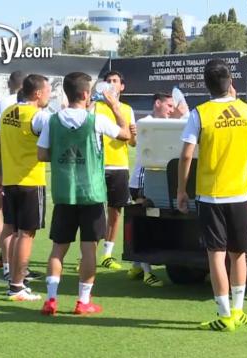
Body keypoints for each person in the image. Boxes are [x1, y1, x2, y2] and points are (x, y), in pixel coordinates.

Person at [177, 59, 247, 332]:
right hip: (239, 193)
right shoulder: (245, 110)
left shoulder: (199, 114)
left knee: (216, 254)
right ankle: (238, 310)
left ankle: (225, 314)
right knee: (239, 253)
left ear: (206, 84)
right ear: (230, 81)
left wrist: (180, 190)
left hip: (212, 195)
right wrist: (236, 103)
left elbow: (187, 154)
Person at [38, 72, 131, 315]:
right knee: (88, 249)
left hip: (64, 193)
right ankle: (83, 301)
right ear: (86, 94)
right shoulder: (96, 120)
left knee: (58, 248)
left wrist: (64, 156)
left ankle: (50, 300)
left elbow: (42, 154)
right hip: (91, 193)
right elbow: (125, 134)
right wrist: (115, 107)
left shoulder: (52, 120)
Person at [0, 74, 52, 301]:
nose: (49, 95)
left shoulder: (8, 112)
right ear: (37, 93)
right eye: (48, 91)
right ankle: (17, 285)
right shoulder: (39, 116)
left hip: (10, 180)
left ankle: (11, 274)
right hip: (30, 180)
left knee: (10, 228)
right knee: (26, 235)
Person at [127, 92, 176, 287]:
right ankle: (147, 272)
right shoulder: (145, 124)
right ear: (158, 104)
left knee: (146, 222)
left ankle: (137, 265)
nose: (171, 110)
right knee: (146, 224)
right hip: (141, 183)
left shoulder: (164, 126)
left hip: (154, 182)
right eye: (169, 106)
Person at [95, 71, 136, 271]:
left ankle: (107, 254)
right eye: (108, 81)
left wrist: (134, 135)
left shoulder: (128, 109)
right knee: (93, 211)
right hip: (97, 165)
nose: (111, 84)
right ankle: (86, 255)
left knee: (115, 211)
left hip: (119, 165)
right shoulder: (96, 107)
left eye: (115, 81)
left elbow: (133, 142)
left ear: (122, 86)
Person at [0, 70, 26, 272]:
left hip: (7, 164)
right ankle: (11, 260)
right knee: (18, 220)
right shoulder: (38, 107)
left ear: (10, 82)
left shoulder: (6, 101)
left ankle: (11, 261)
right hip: (27, 166)